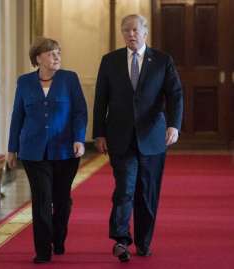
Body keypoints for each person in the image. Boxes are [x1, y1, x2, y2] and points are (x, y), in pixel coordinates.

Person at [92, 14, 183, 262]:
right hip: (120, 137)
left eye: (134, 30)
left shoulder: (162, 60)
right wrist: (98, 133)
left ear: (145, 32)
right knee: (125, 189)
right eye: (126, 30)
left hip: (152, 137)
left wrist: (174, 125)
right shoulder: (110, 61)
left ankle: (144, 242)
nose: (130, 34)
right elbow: (101, 99)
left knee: (147, 193)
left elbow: (175, 95)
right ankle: (121, 240)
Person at [7, 37, 88, 264]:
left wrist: (79, 139)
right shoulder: (24, 82)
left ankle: (59, 237)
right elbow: (17, 116)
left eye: (59, 53)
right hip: (33, 151)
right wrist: (12, 148)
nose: (57, 57)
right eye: (52, 53)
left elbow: (80, 112)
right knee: (42, 199)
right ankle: (43, 250)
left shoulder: (69, 79)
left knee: (62, 200)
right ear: (38, 58)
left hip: (65, 150)